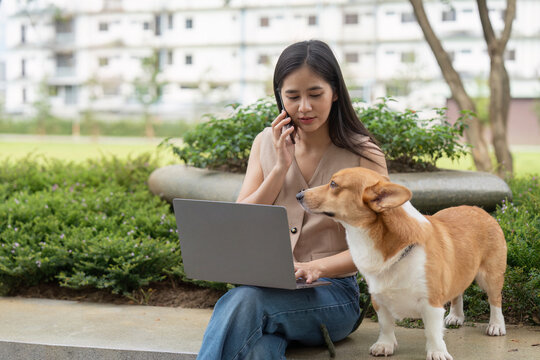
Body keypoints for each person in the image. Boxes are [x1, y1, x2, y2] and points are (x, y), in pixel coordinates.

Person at [197, 39, 388, 360]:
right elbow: (240, 220)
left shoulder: (363, 155)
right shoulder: (265, 143)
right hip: (268, 288)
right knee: (259, 349)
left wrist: (317, 266)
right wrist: (279, 169)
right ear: (278, 95)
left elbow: (381, 244)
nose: (304, 107)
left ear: (336, 92)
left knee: (245, 302)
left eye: (315, 94)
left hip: (334, 294)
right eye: (292, 96)